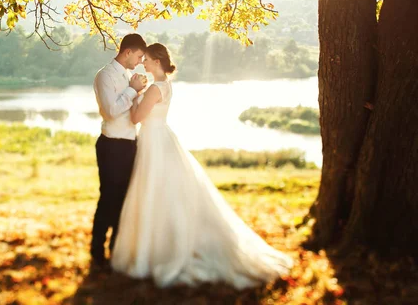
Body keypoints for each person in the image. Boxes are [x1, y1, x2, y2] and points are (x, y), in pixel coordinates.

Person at [110, 43, 294, 288]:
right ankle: (160, 243)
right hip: (160, 137)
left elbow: (135, 118)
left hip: (154, 140)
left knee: (154, 190)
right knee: (163, 190)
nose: (143, 63)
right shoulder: (165, 85)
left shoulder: (154, 88)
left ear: (156, 61)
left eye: (147, 60)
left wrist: (133, 93)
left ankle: (157, 248)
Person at [90, 33, 148, 269]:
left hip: (129, 144)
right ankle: (97, 251)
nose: (140, 61)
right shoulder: (104, 75)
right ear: (127, 52)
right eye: (139, 56)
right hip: (112, 145)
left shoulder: (127, 76)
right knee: (108, 199)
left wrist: (138, 93)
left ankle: (116, 249)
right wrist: (133, 91)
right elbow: (111, 111)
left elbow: (129, 110)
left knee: (124, 199)